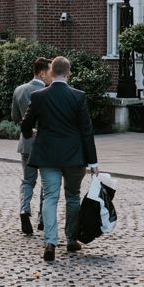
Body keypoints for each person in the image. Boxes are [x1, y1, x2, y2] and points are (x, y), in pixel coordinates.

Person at [19, 56, 99, 261]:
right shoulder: (78, 96)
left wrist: (31, 133)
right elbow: (86, 131)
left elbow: (25, 125)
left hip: (47, 156)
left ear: (51, 73)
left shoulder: (39, 96)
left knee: (50, 197)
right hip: (74, 157)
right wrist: (93, 162)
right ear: (69, 73)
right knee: (73, 197)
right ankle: (71, 239)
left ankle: (50, 242)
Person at [11, 56, 52, 235]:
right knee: (46, 182)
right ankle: (43, 219)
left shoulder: (19, 90)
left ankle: (24, 209)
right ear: (42, 73)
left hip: (26, 143)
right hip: (45, 145)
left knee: (28, 180)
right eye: (50, 72)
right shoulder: (47, 92)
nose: (51, 75)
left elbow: (15, 117)